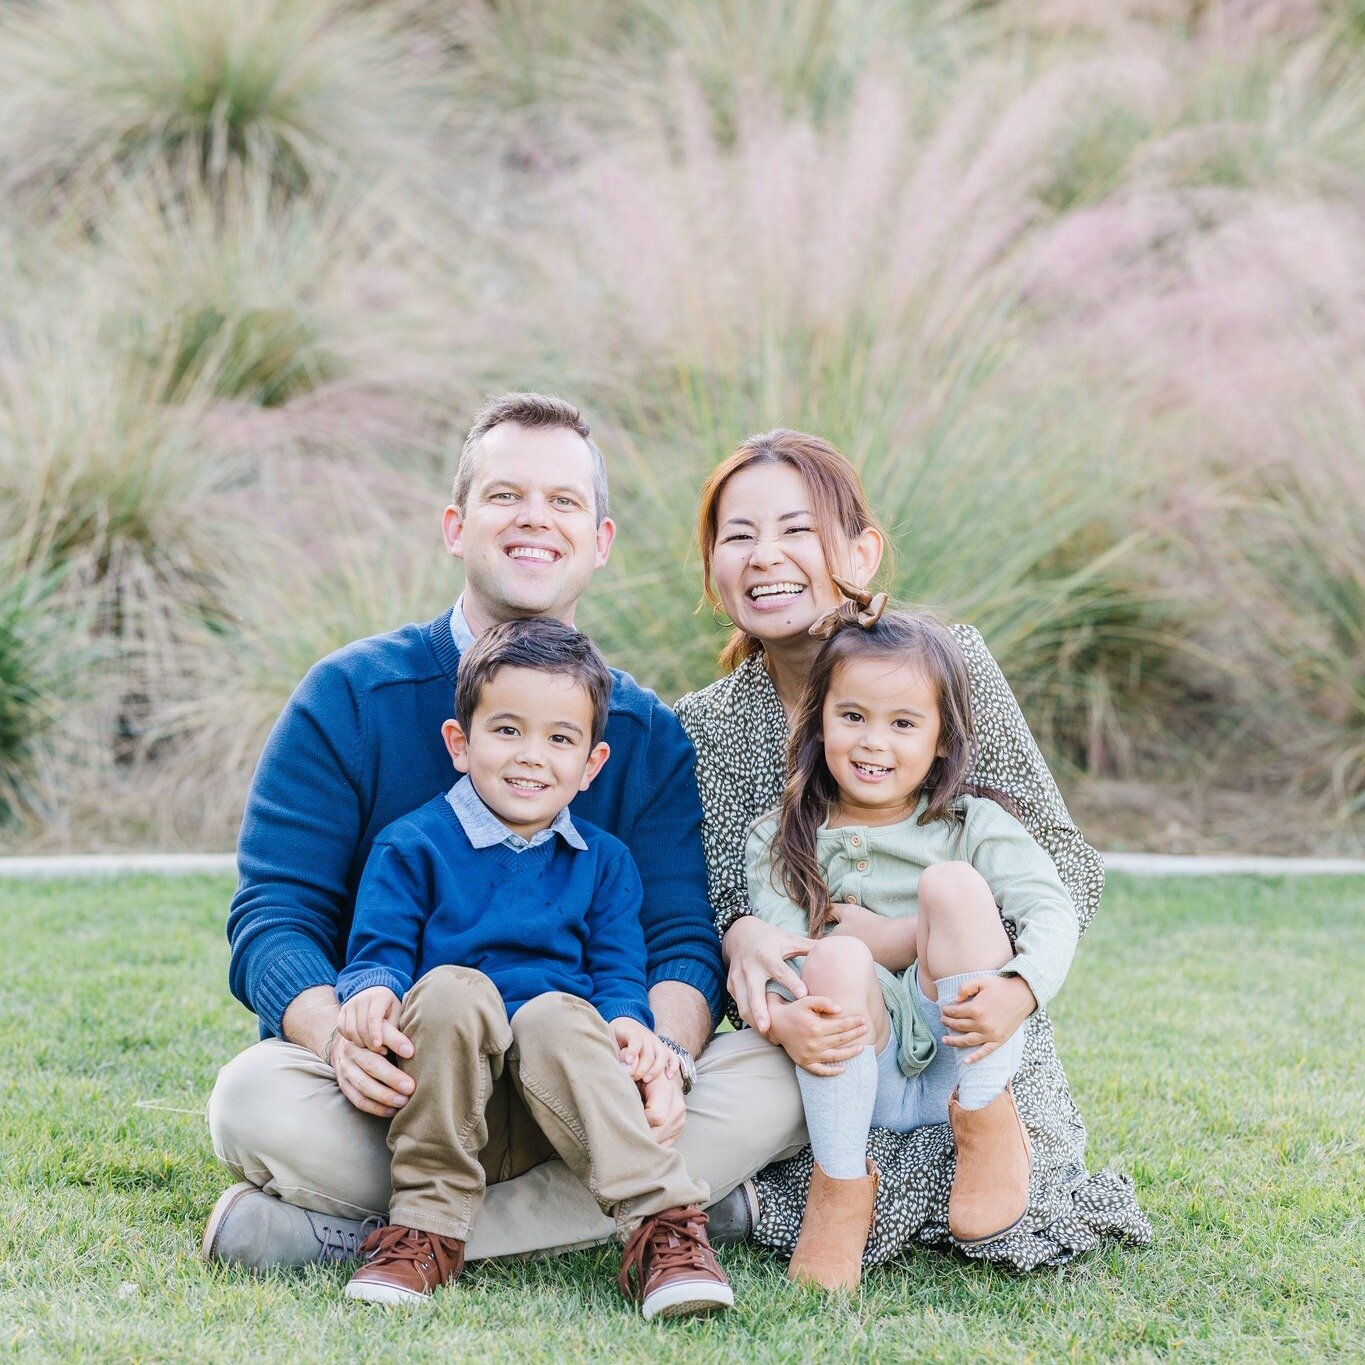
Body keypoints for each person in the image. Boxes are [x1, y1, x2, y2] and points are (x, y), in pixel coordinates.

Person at [202, 393, 806, 1271]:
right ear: (456, 525)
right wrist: (336, 1034)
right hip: (404, 1088)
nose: (535, 519)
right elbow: (273, 917)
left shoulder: (639, 734)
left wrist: (665, 1053)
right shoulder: (348, 697)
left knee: (777, 1079)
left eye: (563, 501)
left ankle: (364, 1236)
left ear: (598, 541)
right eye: (504, 496)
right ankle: (669, 1207)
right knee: (250, 1098)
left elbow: (677, 935)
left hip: (582, 1089)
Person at [673, 429, 1151, 1271]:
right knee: (769, 1123)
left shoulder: (945, 660)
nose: (764, 556)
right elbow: (720, 900)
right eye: (736, 534)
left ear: (860, 551)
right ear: (711, 564)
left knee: (1007, 1178)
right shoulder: (706, 723)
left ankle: (967, 1139)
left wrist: (965, 963)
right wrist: (741, 935)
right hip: (823, 1021)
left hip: (966, 1004)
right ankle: (818, 1186)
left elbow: (1059, 863)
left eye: (795, 529)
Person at [334, 618, 731, 1318]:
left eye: (559, 739)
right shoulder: (411, 845)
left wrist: (631, 1027)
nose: (531, 757)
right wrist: (370, 991)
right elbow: (380, 949)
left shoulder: (604, 861)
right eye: (507, 730)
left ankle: (662, 1226)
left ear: (591, 764)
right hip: (453, 1102)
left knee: (556, 1011)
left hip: (568, 1116)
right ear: (460, 744)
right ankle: (425, 1227)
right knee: (455, 989)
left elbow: (616, 971)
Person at [747, 598, 1080, 1290]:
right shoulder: (778, 839)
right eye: (853, 717)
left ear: (939, 740)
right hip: (852, 1069)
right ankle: (838, 1186)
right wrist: (788, 1015)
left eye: (903, 723)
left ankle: (988, 1126)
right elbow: (781, 961)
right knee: (831, 956)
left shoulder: (970, 824)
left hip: (963, 1051)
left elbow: (1050, 908)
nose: (874, 742)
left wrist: (1017, 990)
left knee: (953, 886)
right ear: (818, 721)